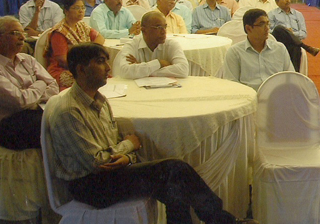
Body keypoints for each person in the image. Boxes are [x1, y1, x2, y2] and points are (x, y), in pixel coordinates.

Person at [46, 44, 237, 224]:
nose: (108, 68)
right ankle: (221, 220)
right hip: (90, 186)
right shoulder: (69, 111)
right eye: (100, 61)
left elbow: (117, 144)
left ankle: (216, 220)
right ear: (81, 69)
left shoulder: (100, 101)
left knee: (174, 186)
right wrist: (129, 146)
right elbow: (97, 162)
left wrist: (127, 157)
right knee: (174, 169)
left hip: (109, 175)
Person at [0, 16, 59, 150]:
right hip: (10, 126)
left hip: (36, 112)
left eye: (23, 33)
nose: (22, 38)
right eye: (15, 33)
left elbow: (53, 86)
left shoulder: (27, 60)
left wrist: (30, 99)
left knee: (70, 114)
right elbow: (20, 101)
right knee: (61, 125)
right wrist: (40, 84)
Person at [222, 9, 293, 90]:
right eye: (261, 24)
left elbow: (291, 78)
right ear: (248, 28)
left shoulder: (279, 49)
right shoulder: (235, 52)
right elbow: (232, 84)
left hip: (277, 94)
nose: (267, 28)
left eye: (268, 24)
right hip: (249, 96)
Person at [45, 0, 106, 89]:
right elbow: (63, 60)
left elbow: (100, 38)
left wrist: (91, 53)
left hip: (84, 66)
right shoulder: (59, 32)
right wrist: (85, 66)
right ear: (66, 11)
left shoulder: (81, 25)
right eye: (76, 8)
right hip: (63, 69)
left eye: (83, 7)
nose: (81, 11)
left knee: (103, 76)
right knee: (86, 81)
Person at [114, 11, 189, 79]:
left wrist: (144, 69)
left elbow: (183, 70)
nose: (164, 32)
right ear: (144, 30)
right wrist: (159, 63)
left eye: (165, 27)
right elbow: (125, 71)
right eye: (158, 27)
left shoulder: (171, 45)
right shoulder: (132, 45)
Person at [268, 0, 320, 72]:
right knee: (279, 28)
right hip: (279, 41)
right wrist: (284, 31)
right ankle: (306, 47)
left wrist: (291, 33)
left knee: (296, 48)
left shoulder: (298, 14)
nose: (287, 0)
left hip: (293, 43)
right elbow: (269, 32)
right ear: (277, 3)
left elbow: (303, 33)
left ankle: (295, 73)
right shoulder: (272, 14)